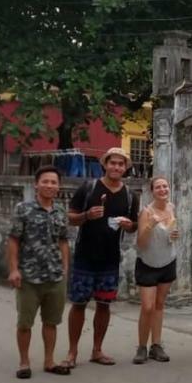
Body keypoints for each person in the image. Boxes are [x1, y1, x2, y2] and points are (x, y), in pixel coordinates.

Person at [63, 147, 139, 368]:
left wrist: (129, 225)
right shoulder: (89, 187)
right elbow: (71, 218)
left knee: (104, 305)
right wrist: (87, 215)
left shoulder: (129, 195)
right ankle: (72, 352)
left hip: (110, 259)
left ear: (126, 168)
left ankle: (97, 350)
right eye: (112, 163)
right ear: (105, 164)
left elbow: (134, 226)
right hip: (85, 256)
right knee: (79, 304)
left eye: (121, 164)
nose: (116, 167)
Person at [7, 166, 71, 379]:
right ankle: (24, 362)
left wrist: (65, 268)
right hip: (28, 277)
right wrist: (14, 270)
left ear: (58, 186)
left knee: (51, 322)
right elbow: (13, 240)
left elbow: (63, 241)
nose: (50, 186)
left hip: (54, 276)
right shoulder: (23, 209)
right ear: (36, 184)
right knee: (25, 323)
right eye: (45, 181)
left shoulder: (61, 212)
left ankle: (49, 361)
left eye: (54, 182)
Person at [133, 176, 179, 364]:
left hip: (168, 260)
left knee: (159, 305)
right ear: (152, 191)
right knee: (147, 307)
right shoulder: (146, 212)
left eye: (165, 186)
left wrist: (174, 235)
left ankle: (156, 345)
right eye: (158, 187)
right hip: (147, 263)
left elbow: (170, 234)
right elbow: (141, 243)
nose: (162, 190)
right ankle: (142, 346)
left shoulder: (172, 207)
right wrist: (150, 225)